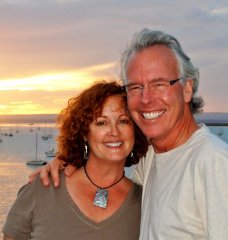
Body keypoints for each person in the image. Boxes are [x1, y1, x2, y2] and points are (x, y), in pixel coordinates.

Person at [29, 29, 228, 239]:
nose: (146, 99)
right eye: (136, 87)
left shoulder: (213, 163)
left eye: (159, 84)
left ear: (187, 89)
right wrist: (68, 160)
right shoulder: (152, 157)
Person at [2, 81, 149, 240]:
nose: (114, 132)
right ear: (84, 132)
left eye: (123, 121)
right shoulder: (41, 190)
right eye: (101, 122)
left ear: (135, 129)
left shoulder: (145, 204)